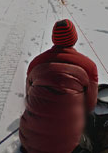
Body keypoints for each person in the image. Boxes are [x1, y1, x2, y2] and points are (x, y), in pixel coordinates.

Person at [19, 19, 98, 153]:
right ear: (74, 38)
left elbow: (28, 97)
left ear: (53, 38)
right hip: (67, 147)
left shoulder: (35, 63)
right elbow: (90, 105)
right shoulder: (88, 66)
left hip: (29, 142)